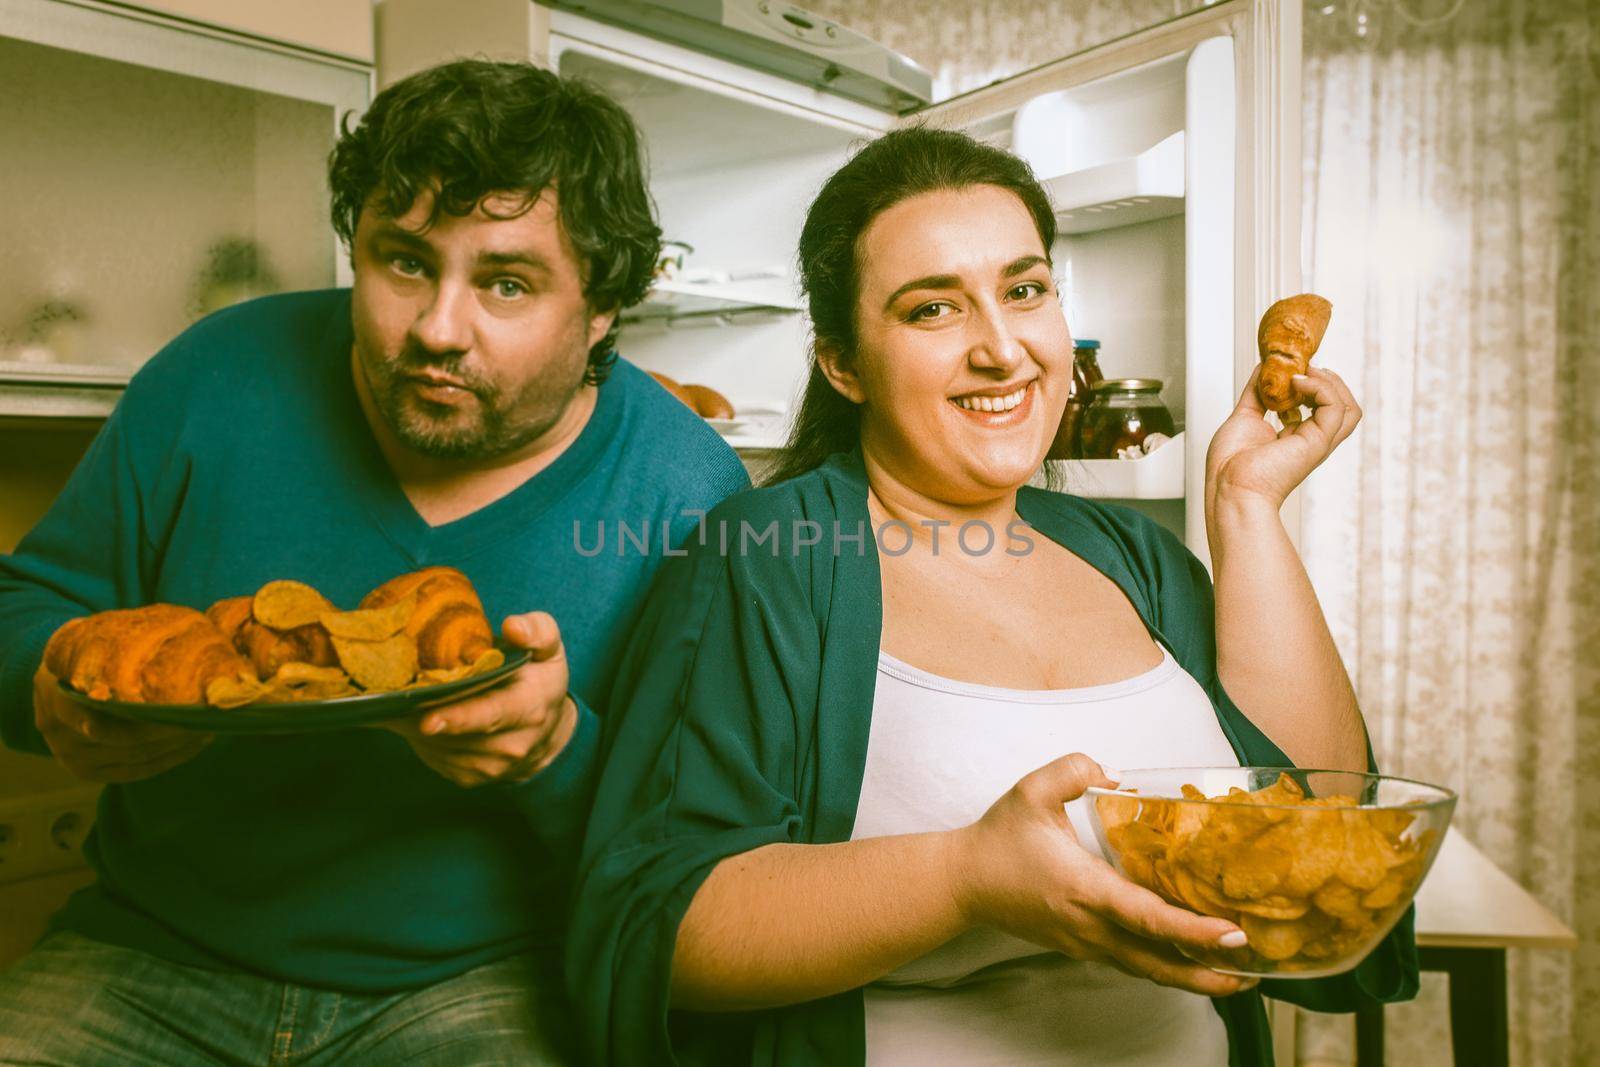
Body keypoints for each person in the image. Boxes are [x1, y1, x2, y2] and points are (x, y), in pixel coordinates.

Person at [566, 126, 1417, 1066]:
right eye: (934, 309)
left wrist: (1246, 505)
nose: (1003, 348)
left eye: (1025, 290)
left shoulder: (1134, 554)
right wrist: (965, 876)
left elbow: (1323, 836)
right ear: (843, 363)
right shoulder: (765, 557)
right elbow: (658, 926)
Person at [0, 59, 747, 1064]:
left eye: (506, 282)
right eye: (402, 262)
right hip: (151, 948)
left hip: (486, 977)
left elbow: (699, 840)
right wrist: (43, 687)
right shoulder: (213, 374)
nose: (437, 328)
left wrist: (555, 754)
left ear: (603, 305)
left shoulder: (687, 489)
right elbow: (30, 601)